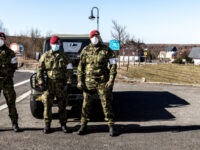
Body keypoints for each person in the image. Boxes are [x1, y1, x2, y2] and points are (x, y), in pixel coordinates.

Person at [77, 30, 117, 136]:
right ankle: (83, 125)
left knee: (106, 104)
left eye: (97, 36)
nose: (95, 37)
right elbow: (81, 66)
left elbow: (113, 65)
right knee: (86, 105)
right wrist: (80, 80)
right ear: (90, 38)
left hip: (103, 82)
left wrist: (111, 80)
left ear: (99, 37)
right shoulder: (85, 50)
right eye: (93, 36)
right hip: (88, 82)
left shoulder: (106, 50)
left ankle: (111, 126)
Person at [37, 36, 73, 134]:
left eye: (57, 44)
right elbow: (39, 71)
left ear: (59, 44)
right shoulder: (45, 56)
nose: (56, 45)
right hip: (49, 85)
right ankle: (47, 125)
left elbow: (69, 70)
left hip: (61, 85)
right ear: (52, 45)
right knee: (47, 105)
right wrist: (41, 83)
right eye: (55, 44)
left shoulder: (64, 57)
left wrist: (68, 83)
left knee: (62, 105)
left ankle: (63, 125)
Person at [0, 32, 20, 132]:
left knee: (11, 102)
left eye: (2, 38)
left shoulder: (10, 53)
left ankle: (14, 123)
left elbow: (14, 66)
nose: (0, 40)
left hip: (7, 81)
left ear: (4, 40)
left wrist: (8, 73)